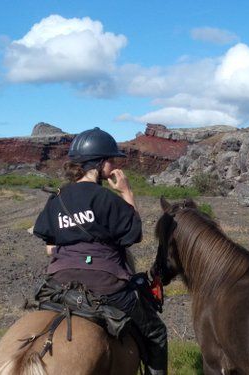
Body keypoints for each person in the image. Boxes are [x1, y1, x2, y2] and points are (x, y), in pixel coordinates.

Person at [33, 127, 167, 375]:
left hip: (59, 282)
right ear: (99, 163)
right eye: (111, 159)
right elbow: (133, 235)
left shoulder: (57, 199)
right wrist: (126, 191)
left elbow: (49, 245)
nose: (114, 164)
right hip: (105, 283)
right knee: (156, 333)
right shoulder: (107, 198)